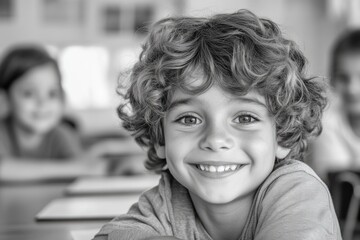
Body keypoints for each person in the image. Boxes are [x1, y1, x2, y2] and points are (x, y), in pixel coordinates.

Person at [93, 9, 341, 240]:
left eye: (245, 118)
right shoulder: (169, 200)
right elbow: (110, 236)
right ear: (160, 138)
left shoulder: (297, 191)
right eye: (189, 119)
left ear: (282, 136)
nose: (215, 139)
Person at [0, 45, 106, 181]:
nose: (43, 103)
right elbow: (82, 167)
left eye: (52, 93)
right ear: (4, 99)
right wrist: (79, 168)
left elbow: (83, 165)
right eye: (29, 93)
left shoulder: (62, 134)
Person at [309, 30, 360, 182]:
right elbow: (339, 184)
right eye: (343, 78)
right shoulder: (325, 125)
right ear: (331, 79)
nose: (352, 89)